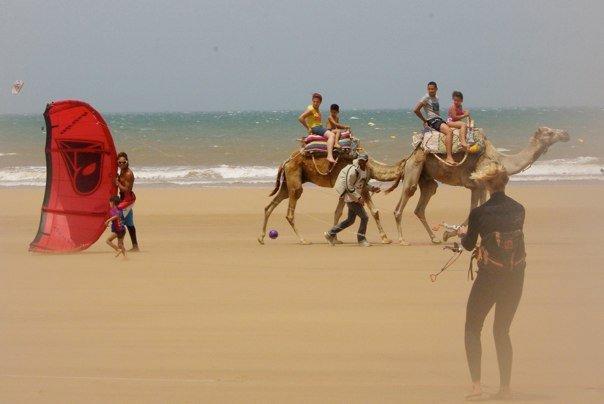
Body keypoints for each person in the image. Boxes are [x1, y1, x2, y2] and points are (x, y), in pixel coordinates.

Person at [457, 163, 526, 401]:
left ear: (486, 184)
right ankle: (505, 388)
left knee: (472, 328)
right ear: (505, 182)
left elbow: (468, 245)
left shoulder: (479, 213)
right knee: (502, 331)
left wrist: (461, 234)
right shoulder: (519, 209)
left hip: (489, 279)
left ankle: (477, 387)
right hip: (515, 278)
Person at [324, 153, 380, 247]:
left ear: (366, 162)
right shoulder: (353, 171)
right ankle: (361, 239)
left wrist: (372, 188)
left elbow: (363, 183)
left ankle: (330, 234)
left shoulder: (365, 170)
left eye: (363, 160)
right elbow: (348, 186)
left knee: (350, 220)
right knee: (365, 217)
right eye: (360, 160)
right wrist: (358, 198)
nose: (361, 161)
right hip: (350, 197)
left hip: (355, 196)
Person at [413, 82, 468, 164]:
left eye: (432, 89)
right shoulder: (426, 98)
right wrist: (425, 120)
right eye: (429, 89)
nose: (430, 90)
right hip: (433, 120)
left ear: (436, 89)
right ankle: (449, 157)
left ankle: (462, 143)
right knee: (449, 132)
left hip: (439, 119)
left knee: (459, 126)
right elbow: (416, 110)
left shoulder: (436, 97)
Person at [298, 93, 337, 163]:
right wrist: (308, 128)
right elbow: (301, 118)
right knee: (332, 135)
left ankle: (336, 145)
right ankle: (329, 155)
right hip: (315, 128)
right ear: (312, 101)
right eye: (314, 101)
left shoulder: (316, 109)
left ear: (320, 102)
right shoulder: (310, 110)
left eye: (317, 102)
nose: (315, 103)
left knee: (337, 132)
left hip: (319, 127)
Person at [115, 152, 139, 251]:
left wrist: (117, 183)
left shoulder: (128, 174)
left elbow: (127, 189)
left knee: (118, 219)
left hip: (128, 199)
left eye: (123, 162)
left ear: (127, 162)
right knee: (129, 223)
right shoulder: (122, 171)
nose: (121, 164)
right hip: (123, 198)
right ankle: (135, 246)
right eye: (119, 163)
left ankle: (121, 245)